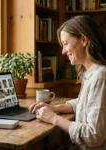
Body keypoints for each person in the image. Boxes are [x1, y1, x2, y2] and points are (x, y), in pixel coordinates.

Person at [29, 15, 106, 150]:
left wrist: (53, 118)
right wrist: (55, 108)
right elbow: (84, 103)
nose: (63, 51)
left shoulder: (100, 76)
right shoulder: (92, 73)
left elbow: (93, 136)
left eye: (65, 44)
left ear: (83, 39)